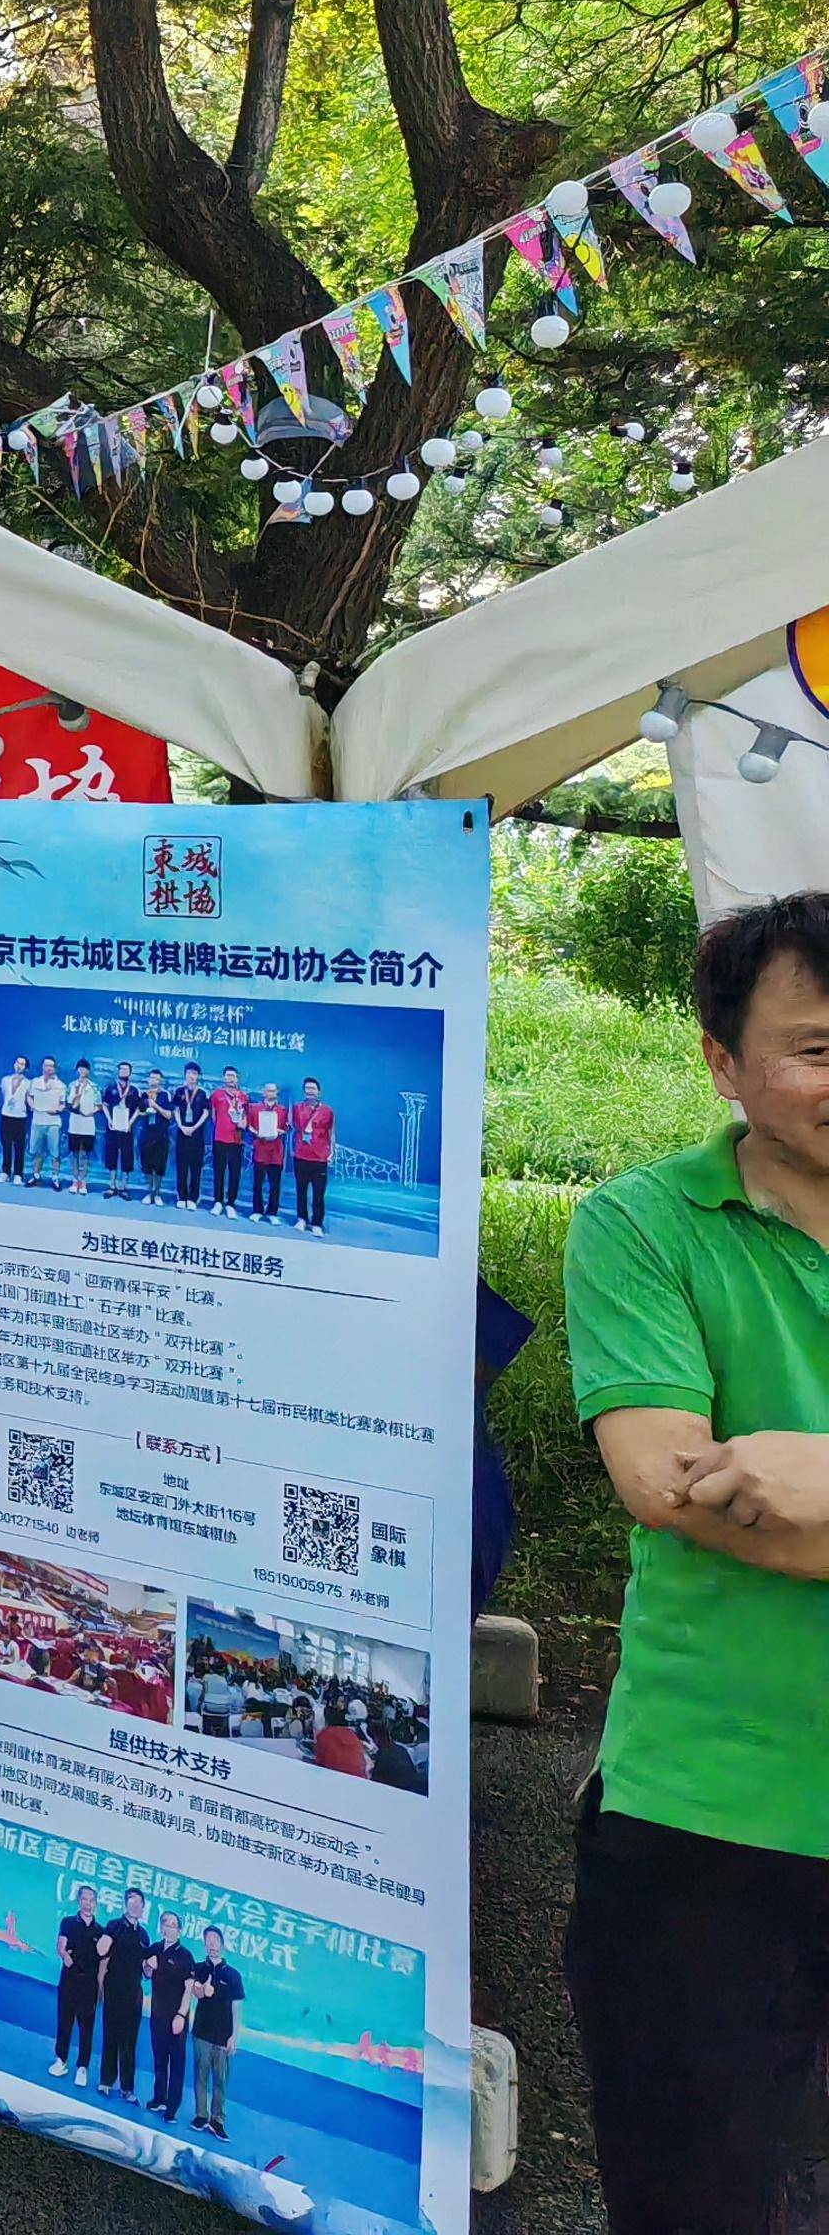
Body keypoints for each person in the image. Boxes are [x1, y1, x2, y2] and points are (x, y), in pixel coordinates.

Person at [560, 893, 829, 2235]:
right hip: (709, 1811)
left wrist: (809, 1476)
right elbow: (670, 1485)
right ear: (724, 1062)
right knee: (691, 2197)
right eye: (819, 1049)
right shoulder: (643, 1223)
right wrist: (744, 1491)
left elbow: (763, 1500)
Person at [188, 1926, 243, 2137]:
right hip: (201, 2033)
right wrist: (203, 1990)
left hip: (223, 2037)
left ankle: (217, 2120)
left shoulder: (233, 1975)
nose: (212, 1944)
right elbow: (195, 1992)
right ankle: (201, 2115)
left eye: (215, 1940)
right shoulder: (199, 1968)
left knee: (220, 2079)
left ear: (221, 1944)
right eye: (208, 1940)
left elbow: (236, 2008)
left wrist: (234, 2036)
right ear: (204, 1944)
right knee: (200, 2075)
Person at [96, 1883, 150, 2098]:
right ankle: (106, 2081)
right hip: (114, 1989)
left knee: (130, 2041)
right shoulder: (114, 1925)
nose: (135, 1906)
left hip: (134, 1994)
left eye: (139, 1903)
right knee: (111, 2036)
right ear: (125, 1904)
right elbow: (101, 1952)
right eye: (132, 1901)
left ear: (143, 1907)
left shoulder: (145, 1936)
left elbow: (146, 1973)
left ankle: (127, 2088)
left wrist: (151, 1967)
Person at [146, 1907, 196, 2119]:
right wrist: (149, 1966)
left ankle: (172, 2108)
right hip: (157, 2015)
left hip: (176, 2018)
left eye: (174, 1925)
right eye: (166, 1923)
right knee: (159, 2060)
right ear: (161, 1927)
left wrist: (181, 2016)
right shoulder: (155, 1948)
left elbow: (189, 1989)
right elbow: (146, 1974)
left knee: (176, 2063)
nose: (169, 1928)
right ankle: (159, 2098)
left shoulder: (185, 1956)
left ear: (180, 1931)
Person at [51, 1879, 104, 2080]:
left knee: (86, 2027)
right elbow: (60, 1946)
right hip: (69, 1981)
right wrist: (65, 1956)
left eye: (91, 1900)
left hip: (89, 1985)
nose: (87, 1903)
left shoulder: (100, 1931)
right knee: (64, 2023)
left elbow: (102, 1963)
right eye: (84, 1899)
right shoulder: (68, 1923)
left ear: (96, 1903)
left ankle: (82, 2067)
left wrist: (100, 1988)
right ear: (79, 1901)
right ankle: (60, 2060)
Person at [292, 1076, 336, 1232]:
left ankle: (316, 1223)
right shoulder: (297, 1108)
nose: (310, 1091)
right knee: (301, 1190)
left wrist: (332, 1152)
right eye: (307, 1088)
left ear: (319, 1091)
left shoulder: (327, 1111)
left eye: (313, 1088)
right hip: (301, 1156)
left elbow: (331, 1133)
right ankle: (301, 1219)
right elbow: (295, 1129)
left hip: (319, 1158)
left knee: (318, 1193)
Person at [165, 1062, 211, 1206]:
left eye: (195, 1073)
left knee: (196, 1167)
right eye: (189, 1073)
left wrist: (195, 1127)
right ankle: (181, 1196)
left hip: (197, 1135)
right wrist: (181, 1126)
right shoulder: (179, 1091)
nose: (192, 1076)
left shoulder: (203, 1093)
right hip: (182, 1133)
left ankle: (193, 1198)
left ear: (198, 1076)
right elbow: (176, 1110)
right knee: (181, 1166)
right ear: (185, 1074)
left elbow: (206, 1112)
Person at [133, 1058, 176, 1204]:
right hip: (146, 1134)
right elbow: (139, 1112)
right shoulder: (143, 1095)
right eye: (152, 1077)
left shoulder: (165, 1095)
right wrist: (146, 1110)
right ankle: (149, 1192)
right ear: (148, 1079)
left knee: (159, 1166)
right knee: (147, 1165)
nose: (154, 1080)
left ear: (160, 1081)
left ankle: (157, 1193)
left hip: (161, 1135)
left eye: (157, 1078)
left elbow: (169, 1115)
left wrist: (155, 1106)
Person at [208, 1066, 250, 1210]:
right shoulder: (216, 1095)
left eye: (233, 1075)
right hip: (220, 1138)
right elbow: (213, 1116)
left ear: (237, 1078)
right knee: (218, 1170)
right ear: (223, 1078)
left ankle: (231, 1203)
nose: (231, 1078)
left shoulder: (243, 1096)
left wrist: (242, 1124)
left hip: (236, 1140)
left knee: (234, 1172)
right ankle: (218, 1201)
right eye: (228, 1075)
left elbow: (245, 1116)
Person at [23, 1055, 69, 1188]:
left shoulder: (61, 1086)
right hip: (38, 1121)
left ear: (54, 1068)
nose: (48, 1068)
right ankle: (36, 1175)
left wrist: (57, 1110)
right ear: (42, 1067)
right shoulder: (35, 1082)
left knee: (55, 1152)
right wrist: (31, 1104)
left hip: (53, 1123)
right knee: (37, 1151)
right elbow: (29, 1097)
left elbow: (63, 1104)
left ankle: (55, 1177)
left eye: (51, 1066)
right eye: (46, 1065)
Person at [246, 1079, 288, 1221]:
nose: (271, 1092)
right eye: (268, 1090)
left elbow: (286, 1128)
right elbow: (249, 1126)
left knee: (274, 1184)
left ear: (276, 1093)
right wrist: (256, 1132)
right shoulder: (254, 1108)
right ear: (263, 1093)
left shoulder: (282, 1110)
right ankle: (257, 1210)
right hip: (260, 1150)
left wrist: (278, 1131)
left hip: (276, 1152)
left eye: (273, 1090)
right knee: (258, 1183)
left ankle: (272, 1213)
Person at [98, 1065, 140, 1197]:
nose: (123, 1072)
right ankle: (112, 1185)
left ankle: (124, 1187)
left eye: (126, 1070)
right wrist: (109, 1120)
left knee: (127, 1156)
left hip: (127, 1129)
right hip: (112, 1128)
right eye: (121, 1069)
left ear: (130, 1073)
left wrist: (130, 1123)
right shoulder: (110, 1088)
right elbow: (104, 1105)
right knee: (111, 1155)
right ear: (117, 1072)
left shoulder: (133, 1091)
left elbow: (139, 1109)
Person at [0, 1053, 33, 1182]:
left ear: (26, 1068)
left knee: (19, 1146)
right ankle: (5, 1172)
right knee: (5, 1144)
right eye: (17, 1063)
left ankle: (18, 1173)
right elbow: (4, 1094)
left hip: (20, 1117)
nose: (19, 1066)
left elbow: (29, 1100)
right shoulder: (5, 1080)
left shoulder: (29, 1083)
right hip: (6, 1115)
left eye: (22, 1064)